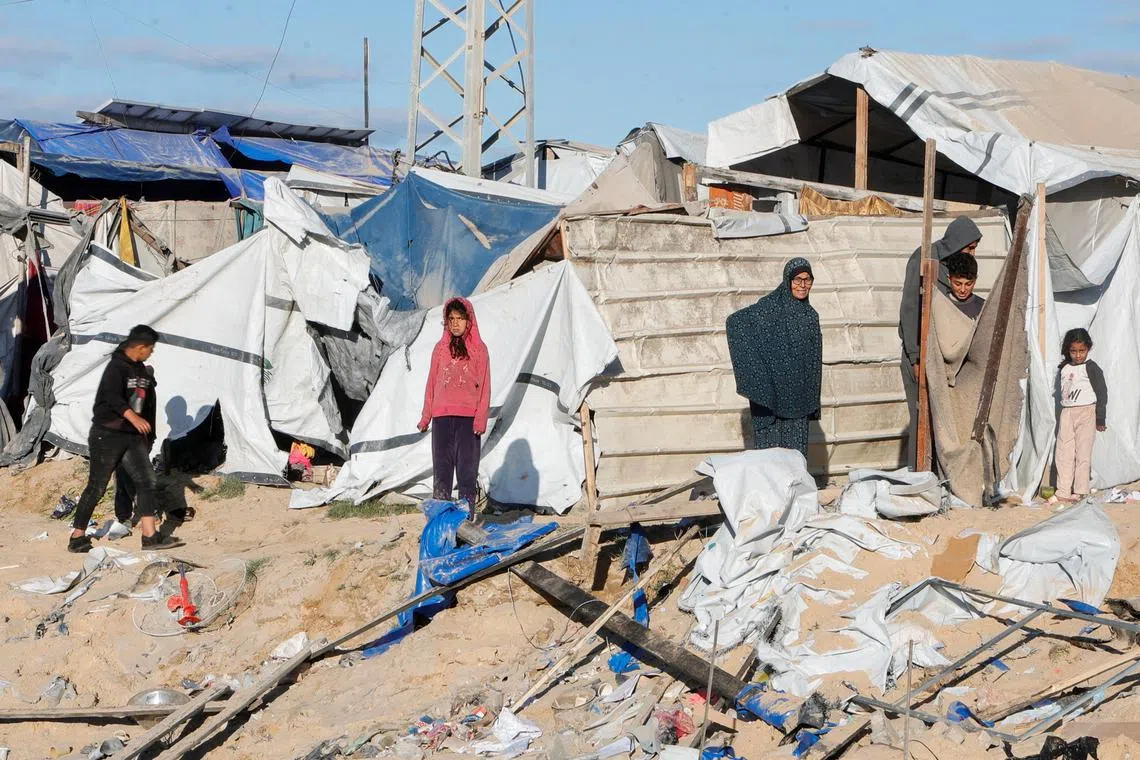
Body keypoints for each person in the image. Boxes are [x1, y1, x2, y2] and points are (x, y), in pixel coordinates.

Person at [68, 325, 183, 553]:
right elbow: (111, 396)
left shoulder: (140, 370)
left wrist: (147, 431)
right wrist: (132, 417)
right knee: (97, 486)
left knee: (146, 481)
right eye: (150, 348)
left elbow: (147, 401)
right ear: (140, 347)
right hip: (107, 435)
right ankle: (77, 536)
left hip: (132, 437)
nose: (151, 352)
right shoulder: (116, 367)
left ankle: (150, 536)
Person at [898, 216, 982, 464]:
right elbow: (911, 310)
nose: (973, 255)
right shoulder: (925, 259)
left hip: (943, 359)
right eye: (970, 248)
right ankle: (919, 474)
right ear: (958, 242)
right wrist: (915, 357)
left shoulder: (954, 268)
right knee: (921, 418)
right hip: (920, 354)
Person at [726, 257, 823, 459]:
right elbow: (736, 323)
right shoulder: (770, 307)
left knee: (794, 457)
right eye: (797, 279)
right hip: (770, 400)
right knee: (770, 458)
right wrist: (760, 379)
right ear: (787, 280)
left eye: (807, 279)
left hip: (798, 399)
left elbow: (813, 363)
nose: (802, 285)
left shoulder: (810, 316)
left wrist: (812, 399)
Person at [418, 298, 490, 511]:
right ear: (446, 322)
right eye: (451, 319)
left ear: (469, 320)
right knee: (442, 472)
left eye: (460, 318)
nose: (456, 323)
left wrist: (480, 419)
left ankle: (465, 522)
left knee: (467, 472)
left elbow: (485, 386)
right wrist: (426, 416)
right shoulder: (440, 349)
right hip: (441, 419)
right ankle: (441, 523)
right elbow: (431, 382)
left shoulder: (479, 349)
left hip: (468, 421)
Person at [1053, 328, 1107, 503]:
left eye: (1081, 351)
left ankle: (1081, 490)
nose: (1077, 355)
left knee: (1083, 453)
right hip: (1067, 412)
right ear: (1068, 350)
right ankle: (1063, 490)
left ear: (1088, 349)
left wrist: (1100, 418)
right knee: (1064, 451)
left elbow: (1102, 393)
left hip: (1087, 412)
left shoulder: (1091, 368)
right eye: (1073, 351)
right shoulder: (1064, 368)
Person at [944, 251, 985, 318]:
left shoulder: (983, 307)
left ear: (975, 280)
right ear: (949, 279)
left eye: (968, 284)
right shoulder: (939, 304)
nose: (963, 290)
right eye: (958, 284)